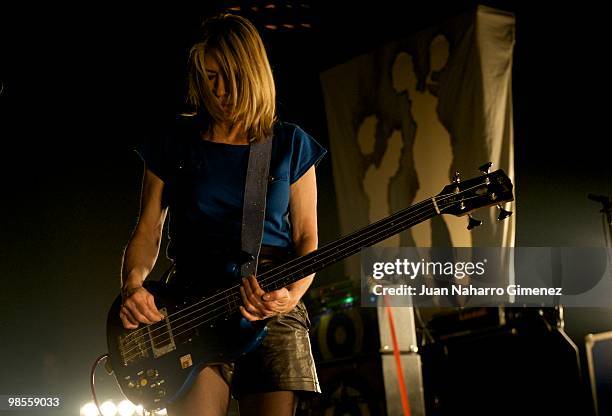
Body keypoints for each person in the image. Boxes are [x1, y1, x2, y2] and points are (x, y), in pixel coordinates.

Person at [118, 13, 326, 416]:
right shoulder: (173, 141)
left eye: (231, 76)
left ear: (254, 73)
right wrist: (132, 285)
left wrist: (289, 297)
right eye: (210, 76)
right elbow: (146, 231)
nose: (221, 90)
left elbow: (307, 240)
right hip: (191, 307)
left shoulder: (290, 143)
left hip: (269, 302)